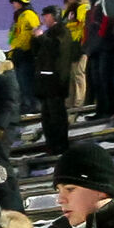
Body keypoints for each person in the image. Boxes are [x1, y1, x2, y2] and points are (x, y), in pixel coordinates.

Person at [34, 8, 76, 155]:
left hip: (56, 82)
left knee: (56, 116)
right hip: (47, 83)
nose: (44, 19)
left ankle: (60, 146)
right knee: (47, 118)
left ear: (54, 16)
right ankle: (51, 146)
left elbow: (55, 49)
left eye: (46, 16)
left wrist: (41, 37)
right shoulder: (51, 32)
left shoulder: (62, 32)